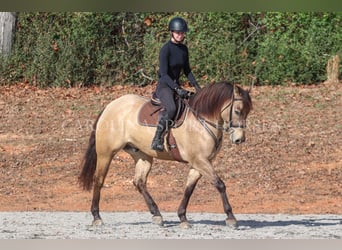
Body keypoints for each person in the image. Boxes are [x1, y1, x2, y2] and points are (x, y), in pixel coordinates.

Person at [151, 16, 201, 152]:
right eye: (177, 32)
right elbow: (164, 74)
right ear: (172, 32)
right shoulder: (165, 50)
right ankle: (157, 138)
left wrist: (197, 87)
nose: (180, 35)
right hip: (165, 86)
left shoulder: (184, 49)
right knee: (172, 108)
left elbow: (187, 70)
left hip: (176, 86)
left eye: (182, 33)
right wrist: (177, 89)